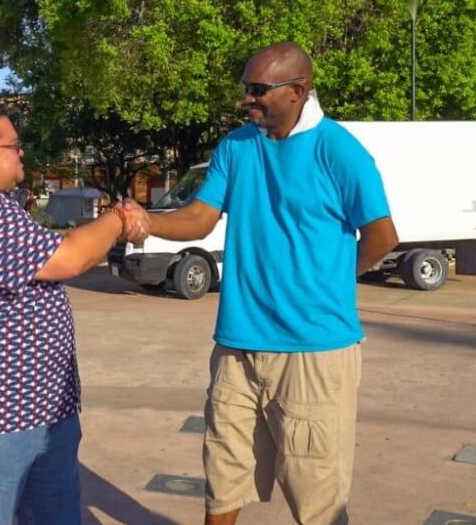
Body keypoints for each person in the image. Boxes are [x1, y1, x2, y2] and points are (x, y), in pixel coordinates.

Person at [130, 41, 399, 525]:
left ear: (297, 90)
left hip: (315, 351)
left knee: (316, 496)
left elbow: (382, 236)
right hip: (237, 344)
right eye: (245, 90)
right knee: (222, 478)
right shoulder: (235, 147)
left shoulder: (339, 151)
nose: (246, 101)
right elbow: (198, 218)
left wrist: (333, 283)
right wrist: (142, 221)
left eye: (257, 91)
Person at [0, 98, 148, 525]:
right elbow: (70, 258)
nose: (22, 152)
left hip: (33, 407)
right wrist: (118, 219)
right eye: (13, 146)